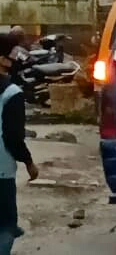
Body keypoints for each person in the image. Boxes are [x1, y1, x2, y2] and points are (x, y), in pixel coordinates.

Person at [0, 35, 37, 255]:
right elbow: (13, 137)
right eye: (12, 54)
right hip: (1, 171)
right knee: (5, 225)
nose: (15, 58)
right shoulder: (11, 93)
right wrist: (29, 162)